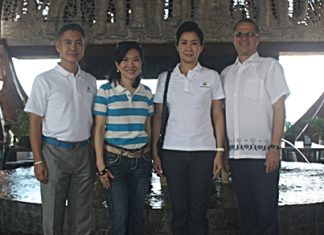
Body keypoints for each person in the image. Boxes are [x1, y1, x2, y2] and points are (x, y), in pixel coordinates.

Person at [152, 21, 225, 235]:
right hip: (173, 151)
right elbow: (158, 117)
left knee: (199, 210)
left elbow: (218, 116)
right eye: (184, 43)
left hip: (203, 151)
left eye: (194, 43)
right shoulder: (165, 79)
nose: (189, 48)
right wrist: (156, 151)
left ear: (201, 47)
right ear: (177, 46)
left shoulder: (211, 76)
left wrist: (219, 152)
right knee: (179, 211)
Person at [24, 23, 97, 235]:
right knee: (53, 215)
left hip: (84, 153)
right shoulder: (44, 80)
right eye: (68, 42)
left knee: (83, 217)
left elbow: (94, 120)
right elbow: (35, 122)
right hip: (54, 153)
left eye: (78, 43)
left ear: (84, 47)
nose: (73, 47)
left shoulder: (90, 81)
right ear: (58, 46)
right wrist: (38, 160)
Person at [220, 18, 290, 235]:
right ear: (233, 39)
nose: (244, 38)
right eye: (240, 34)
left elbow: (279, 109)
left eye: (250, 34)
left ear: (257, 39)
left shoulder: (270, 67)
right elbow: (221, 115)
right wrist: (223, 152)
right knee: (247, 217)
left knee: (267, 216)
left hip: (264, 157)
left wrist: (275, 147)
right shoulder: (225, 74)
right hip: (237, 158)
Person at [93, 41, 154, 235]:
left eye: (136, 60)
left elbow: (148, 127)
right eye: (125, 60)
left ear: (142, 64)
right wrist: (101, 166)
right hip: (115, 162)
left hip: (142, 162)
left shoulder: (146, 92)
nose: (131, 65)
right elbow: (99, 129)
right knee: (119, 219)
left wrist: (151, 155)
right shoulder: (106, 90)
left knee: (138, 218)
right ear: (117, 64)